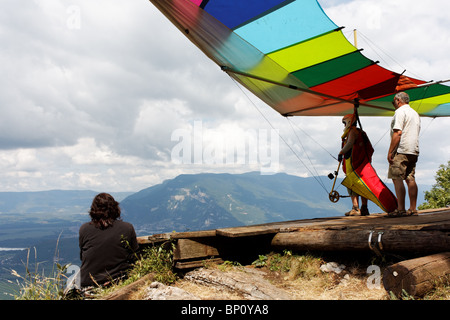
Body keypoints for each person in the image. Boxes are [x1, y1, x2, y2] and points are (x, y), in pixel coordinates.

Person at [79, 193, 139, 288]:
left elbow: (83, 256)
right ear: (115, 208)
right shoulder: (127, 228)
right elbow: (134, 255)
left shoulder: (84, 229)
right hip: (117, 281)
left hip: (88, 284)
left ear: (93, 210)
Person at [387, 91, 421, 217]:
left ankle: (400, 209)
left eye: (394, 101)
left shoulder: (400, 112)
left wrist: (390, 151)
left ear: (397, 100)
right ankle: (413, 208)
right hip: (414, 149)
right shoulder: (415, 113)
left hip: (402, 149)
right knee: (410, 178)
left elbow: (398, 133)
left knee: (397, 177)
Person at [339, 113, 370, 216]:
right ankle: (364, 208)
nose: (344, 126)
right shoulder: (361, 132)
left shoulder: (352, 131)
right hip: (361, 163)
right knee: (362, 184)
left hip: (353, 162)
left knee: (352, 183)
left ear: (349, 122)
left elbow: (350, 143)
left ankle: (355, 208)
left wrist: (341, 152)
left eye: (345, 123)